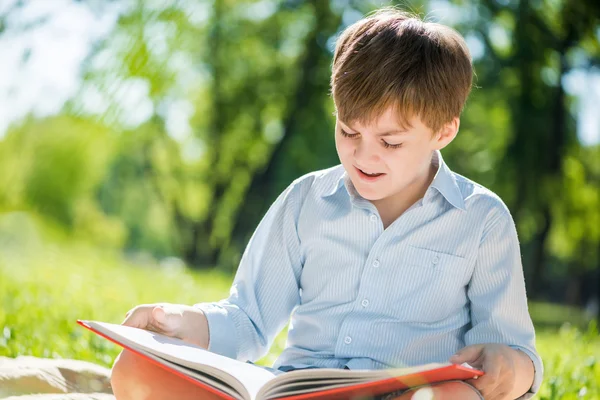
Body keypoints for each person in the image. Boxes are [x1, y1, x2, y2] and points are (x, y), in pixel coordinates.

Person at [110, 7, 543, 400]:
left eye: (390, 142)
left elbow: (514, 352)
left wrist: (510, 367)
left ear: (444, 132)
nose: (364, 155)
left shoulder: (482, 219)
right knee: (136, 370)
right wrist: (179, 322)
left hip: (408, 394)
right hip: (296, 389)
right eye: (349, 131)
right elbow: (248, 318)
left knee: (453, 399)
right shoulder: (306, 200)